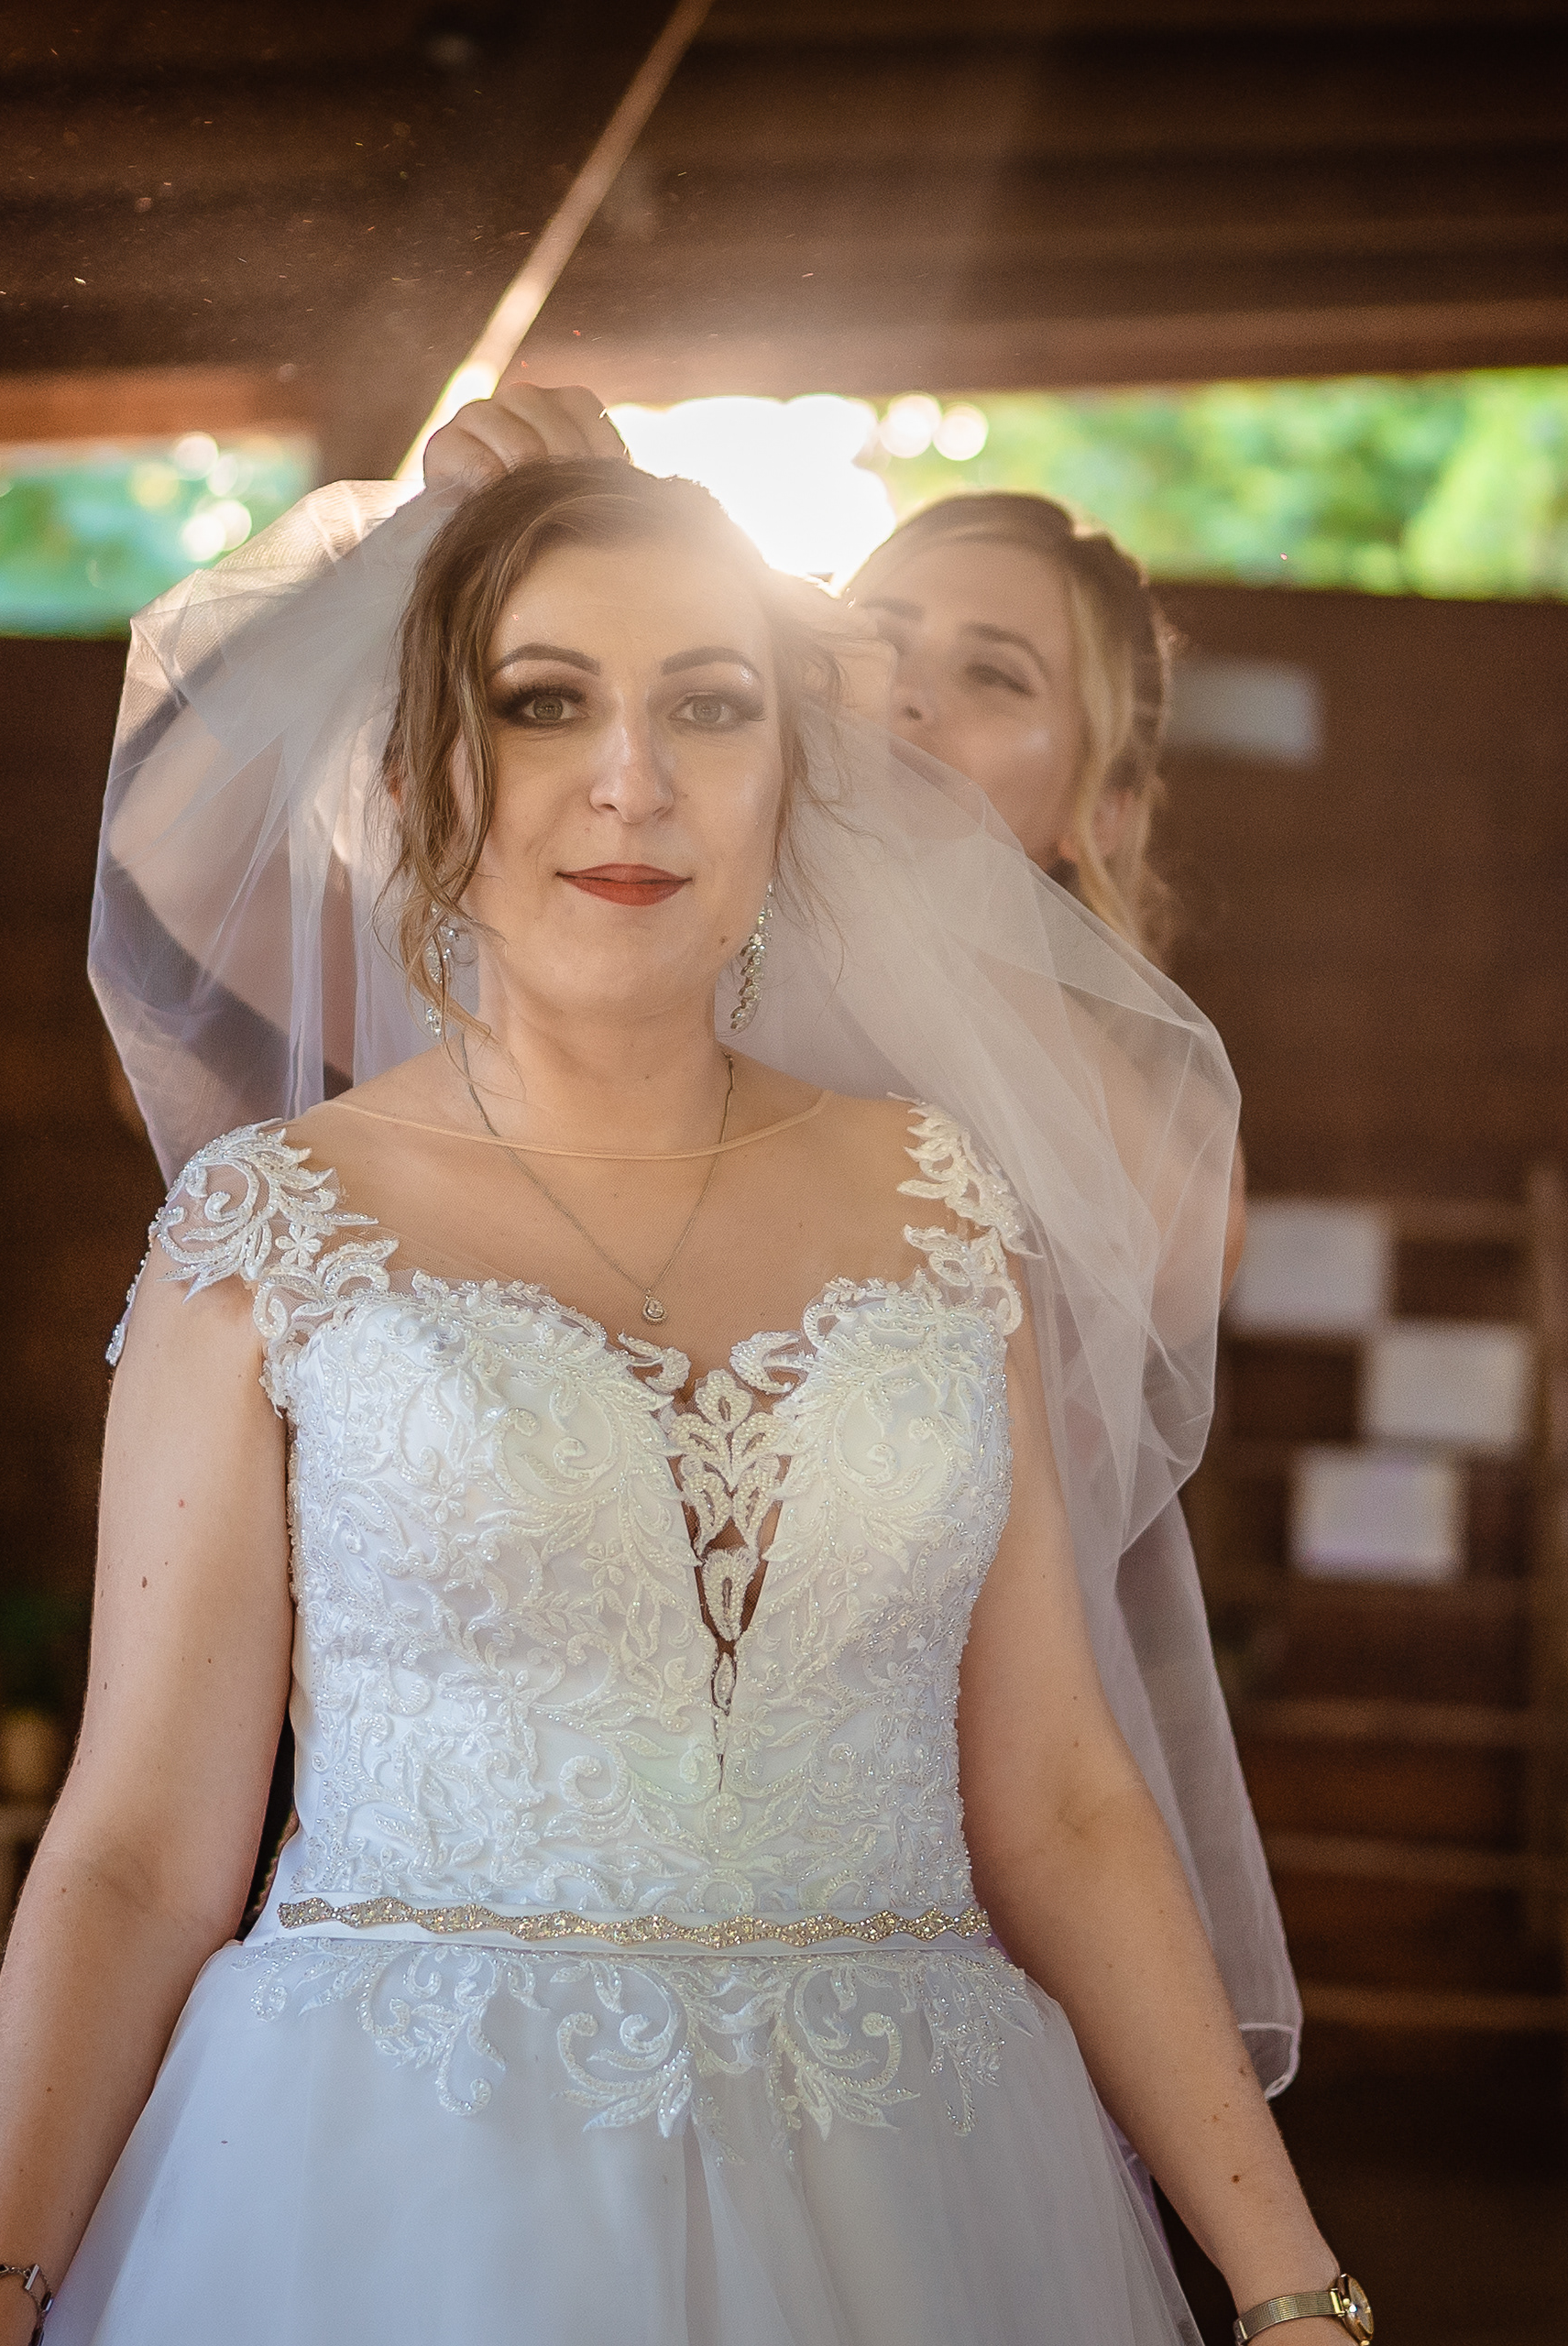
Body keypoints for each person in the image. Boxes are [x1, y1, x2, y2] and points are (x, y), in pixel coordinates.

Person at [0, 460, 1362, 2344]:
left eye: (710, 704)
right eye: (542, 700)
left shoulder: (942, 1205)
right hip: (403, 2193)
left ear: (791, 774)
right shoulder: (268, 1237)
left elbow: (1066, 1801)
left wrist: (1292, 2284)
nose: (632, 776)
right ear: (422, 770)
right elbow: (133, 1856)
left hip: (919, 2187)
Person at [423, 385, 1296, 2081]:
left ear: (1102, 812)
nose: (900, 695)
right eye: (875, 639)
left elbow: (1186, 1248)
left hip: (939, 1844)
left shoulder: (1112, 1086)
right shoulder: (644, 962)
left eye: (993, 676)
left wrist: (904, 854)